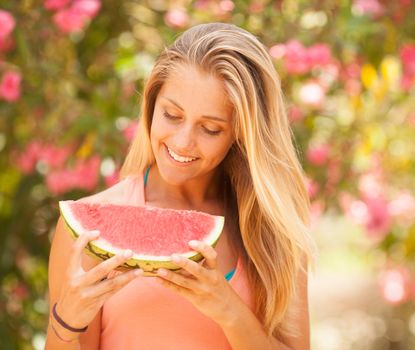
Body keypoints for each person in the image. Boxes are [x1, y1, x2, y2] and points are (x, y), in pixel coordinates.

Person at [46, 22, 315, 350]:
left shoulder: (274, 229)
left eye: (210, 129)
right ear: (151, 105)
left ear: (241, 134)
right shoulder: (89, 229)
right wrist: (66, 322)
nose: (183, 142)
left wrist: (228, 310)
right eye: (171, 115)